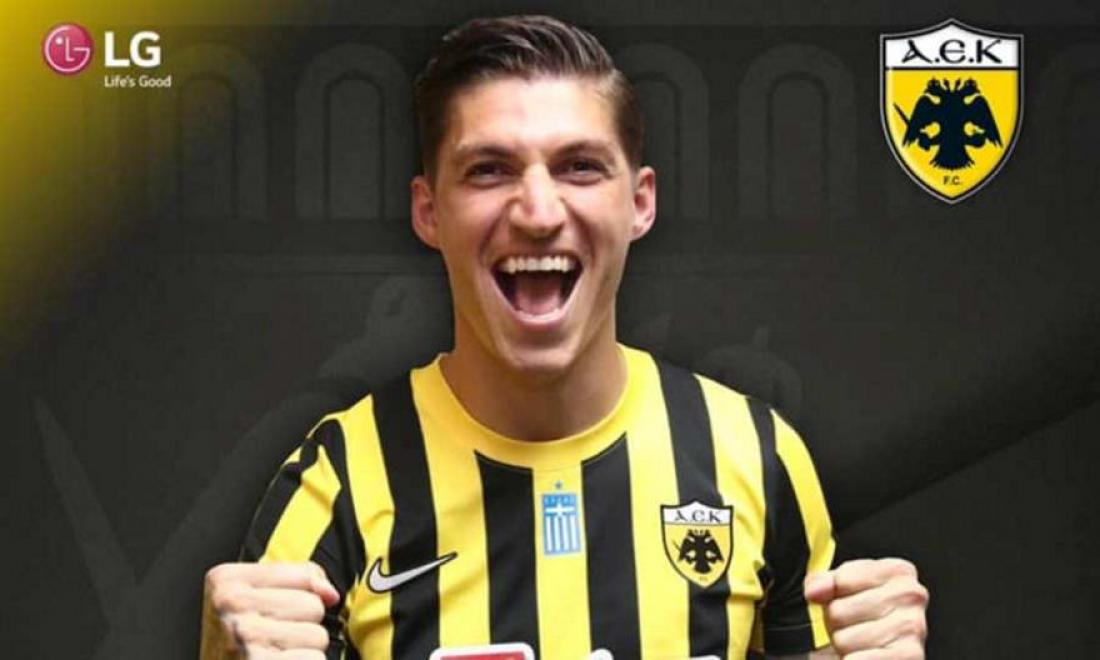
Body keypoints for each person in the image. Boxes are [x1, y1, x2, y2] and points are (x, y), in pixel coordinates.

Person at [201, 15, 928, 660]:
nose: (539, 212)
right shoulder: (339, 480)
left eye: (580, 167)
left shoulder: (754, 455)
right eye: (489, 170)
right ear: (429, 212)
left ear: (639, 202)